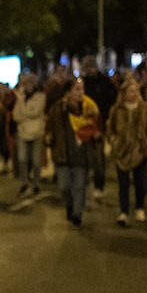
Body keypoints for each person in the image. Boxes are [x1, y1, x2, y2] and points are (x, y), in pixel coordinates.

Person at [46, 78, 100, 229]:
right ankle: (69, 205)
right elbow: (49, 128)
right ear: (68, 93)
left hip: (81, 155)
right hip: (62, 155)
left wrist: (97, 136)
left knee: (79, 186)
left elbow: (97, 127)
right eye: (77, 89)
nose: (80, 93)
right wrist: (48, 138)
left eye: (82, 89)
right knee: (64, 187)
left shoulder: (89, 108)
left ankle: (77, 214)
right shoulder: (57, 109)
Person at [106, 79, 147, 226]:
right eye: (131, 91)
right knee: (123, 183)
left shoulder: (145, 108)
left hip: (140, 150)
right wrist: (115, 141)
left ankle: (140, 207)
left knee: (140, 182)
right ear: (124, 93)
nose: (134, 94)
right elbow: (111, 129)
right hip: (122, 152)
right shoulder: (116, 110)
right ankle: (124, 211)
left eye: (136, 90)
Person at [79, 56, 117, 200]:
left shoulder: (105, 83)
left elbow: (111, 101)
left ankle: (99, 185)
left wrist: (104, 121)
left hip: (99, 125)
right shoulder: (82, 83)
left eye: (90, 67)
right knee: (85, 156)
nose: (88, 70)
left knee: (98, 157)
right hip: (84, 125)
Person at [12, 73, 46, 197]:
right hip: (22, 133)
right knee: (22, 159)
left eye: (30, 83)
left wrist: (24, 113)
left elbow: (35, 112)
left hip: (36, 133)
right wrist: (21, 102)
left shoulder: (40, 97)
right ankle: (24, 183)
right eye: (26, 83)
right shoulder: (21, 97)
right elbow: (15, 116)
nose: (28, 86)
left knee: (36, 161)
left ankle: (36, 184)